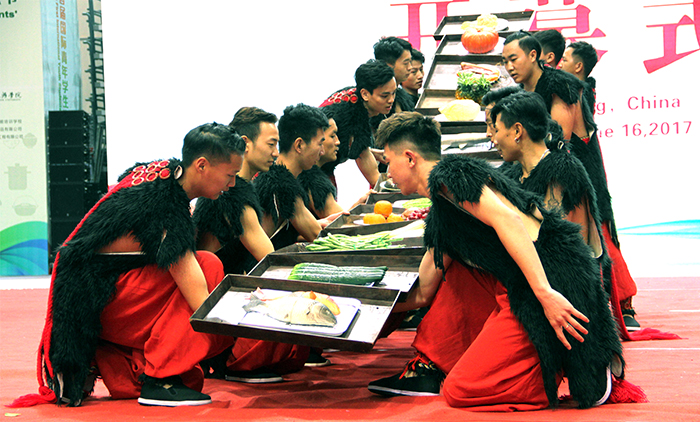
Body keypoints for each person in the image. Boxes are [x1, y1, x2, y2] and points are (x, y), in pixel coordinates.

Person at [11, 123, 304, 408]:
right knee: (208, 268)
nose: (232, 184)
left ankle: (147, 366)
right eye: (229, 175)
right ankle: (160, 379)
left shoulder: (165, 175)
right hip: (92, 296)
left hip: (99, 284)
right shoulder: (167, 207)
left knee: (207, 271)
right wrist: (263, 313)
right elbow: (200, 300)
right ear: (201, 165)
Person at [366, 112, 635, 410]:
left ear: (409, 158)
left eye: (387, 161)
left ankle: (559, 367)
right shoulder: (440, 218)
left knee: (459, 391)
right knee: (458, 277)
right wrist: (364, 306)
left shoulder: (451, 175)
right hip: (520, 283)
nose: (386, 172)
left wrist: (545, 293)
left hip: (553, 276)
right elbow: (423, 292)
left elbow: (510, 221)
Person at [502, 31, 641, 332]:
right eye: (505, 61)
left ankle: (620, 304)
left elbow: (558, 139)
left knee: (595, 240)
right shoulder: (520, 93)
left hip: (574, 172)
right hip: (541, 173)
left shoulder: (561, 85)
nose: (509, 67)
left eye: (513, 59)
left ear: (534, 55)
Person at [194, 107, 276, 275]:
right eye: (271, 144)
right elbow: (271, 260)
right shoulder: (233, 194)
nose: (276, 153)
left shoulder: (231, 187)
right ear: (245, 143)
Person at [253, 103, 328, 249]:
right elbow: (319, 237)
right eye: (320, 144)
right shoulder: (282, 185)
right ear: (299, 145)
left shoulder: (275, 176)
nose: (322, 152)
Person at [319, 59, 396, 188]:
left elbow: (360, 149)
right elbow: (370, 170)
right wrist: (390, 188)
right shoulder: (351, 115)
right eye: (384, 96)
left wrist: (372, 152)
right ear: (365, 94)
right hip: (310, 171)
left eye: (394, 93)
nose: (391, 100)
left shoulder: (354, 96)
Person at [560, 41, 599, 117]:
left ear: (578, 66)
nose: (560, 65)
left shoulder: (574, 97)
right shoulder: (588, 94)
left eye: (564, 60)